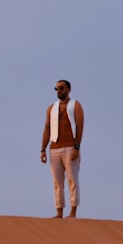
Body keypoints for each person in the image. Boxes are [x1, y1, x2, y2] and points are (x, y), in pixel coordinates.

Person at [40, 79, 85, 218]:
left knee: (72, 180)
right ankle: (59, 212)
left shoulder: (75, 106)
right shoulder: (51, 108)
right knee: (57, 182)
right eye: (56, 89)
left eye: (61, 88)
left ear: (68, 89)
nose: (58, 91)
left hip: (70, 148)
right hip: (54, 149)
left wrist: (77, 147)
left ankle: (73, 212)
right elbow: (47, 128)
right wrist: (43, 149)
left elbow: (80, 126)